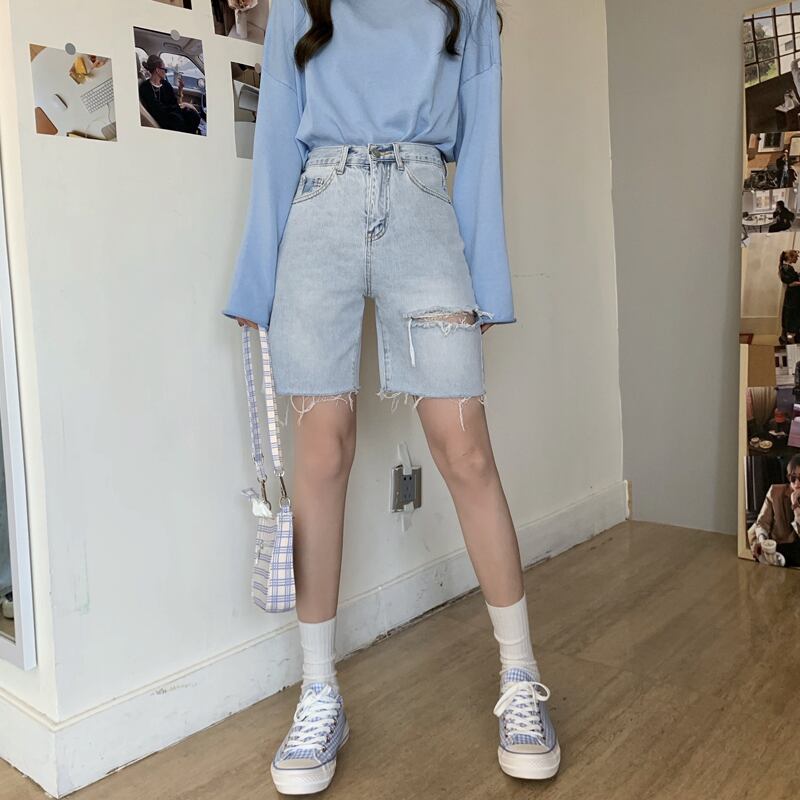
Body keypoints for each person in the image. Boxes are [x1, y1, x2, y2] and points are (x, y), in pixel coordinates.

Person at [222, 0, 560, 792]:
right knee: (321, 454)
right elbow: (277, 130)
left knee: (466, 451)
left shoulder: (467, 5)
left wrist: (488, 283)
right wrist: (257, 277)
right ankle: (318, 693)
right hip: (319, 209)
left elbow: (481, 145)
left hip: (421, 206)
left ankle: (520, 677)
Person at [748, 454, 800, 567]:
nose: (796, 483)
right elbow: (762, 523)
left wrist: (796, 507)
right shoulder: (775, 491)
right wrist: (762, 542)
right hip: (777, 547)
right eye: (793, 478)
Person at [138, 54, 200, 134]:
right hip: (166, 118)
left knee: (194, 116)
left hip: (173, 113)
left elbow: (174, 102)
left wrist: (180, 90)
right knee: (180, 120)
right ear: (157, 70)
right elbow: (158, 110)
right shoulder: (145, 88)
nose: (166, 72)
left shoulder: (165, 84)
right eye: (165, 69)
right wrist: (180, 107)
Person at [779, 250, 800, 345]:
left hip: (793, 297)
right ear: (791, 257)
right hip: (792, 298)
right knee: (791, 318)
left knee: (791, 318)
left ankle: (789, 339)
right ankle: (789, 341)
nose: (797, 259)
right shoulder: (786, 268)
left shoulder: (787, 267)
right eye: (796, 257)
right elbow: (791, 283)